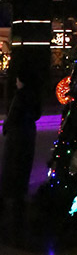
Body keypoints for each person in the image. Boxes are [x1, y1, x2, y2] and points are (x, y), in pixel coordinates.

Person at [0, 68, 42, 221]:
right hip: (28, 133)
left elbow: (12, 116)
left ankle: (8, 199)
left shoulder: (19, 96)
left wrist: (6, 127)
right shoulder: (34, 95)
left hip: (17, 135)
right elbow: (37, 114)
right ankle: (19, 196)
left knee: (11, 166)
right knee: (23, 166)